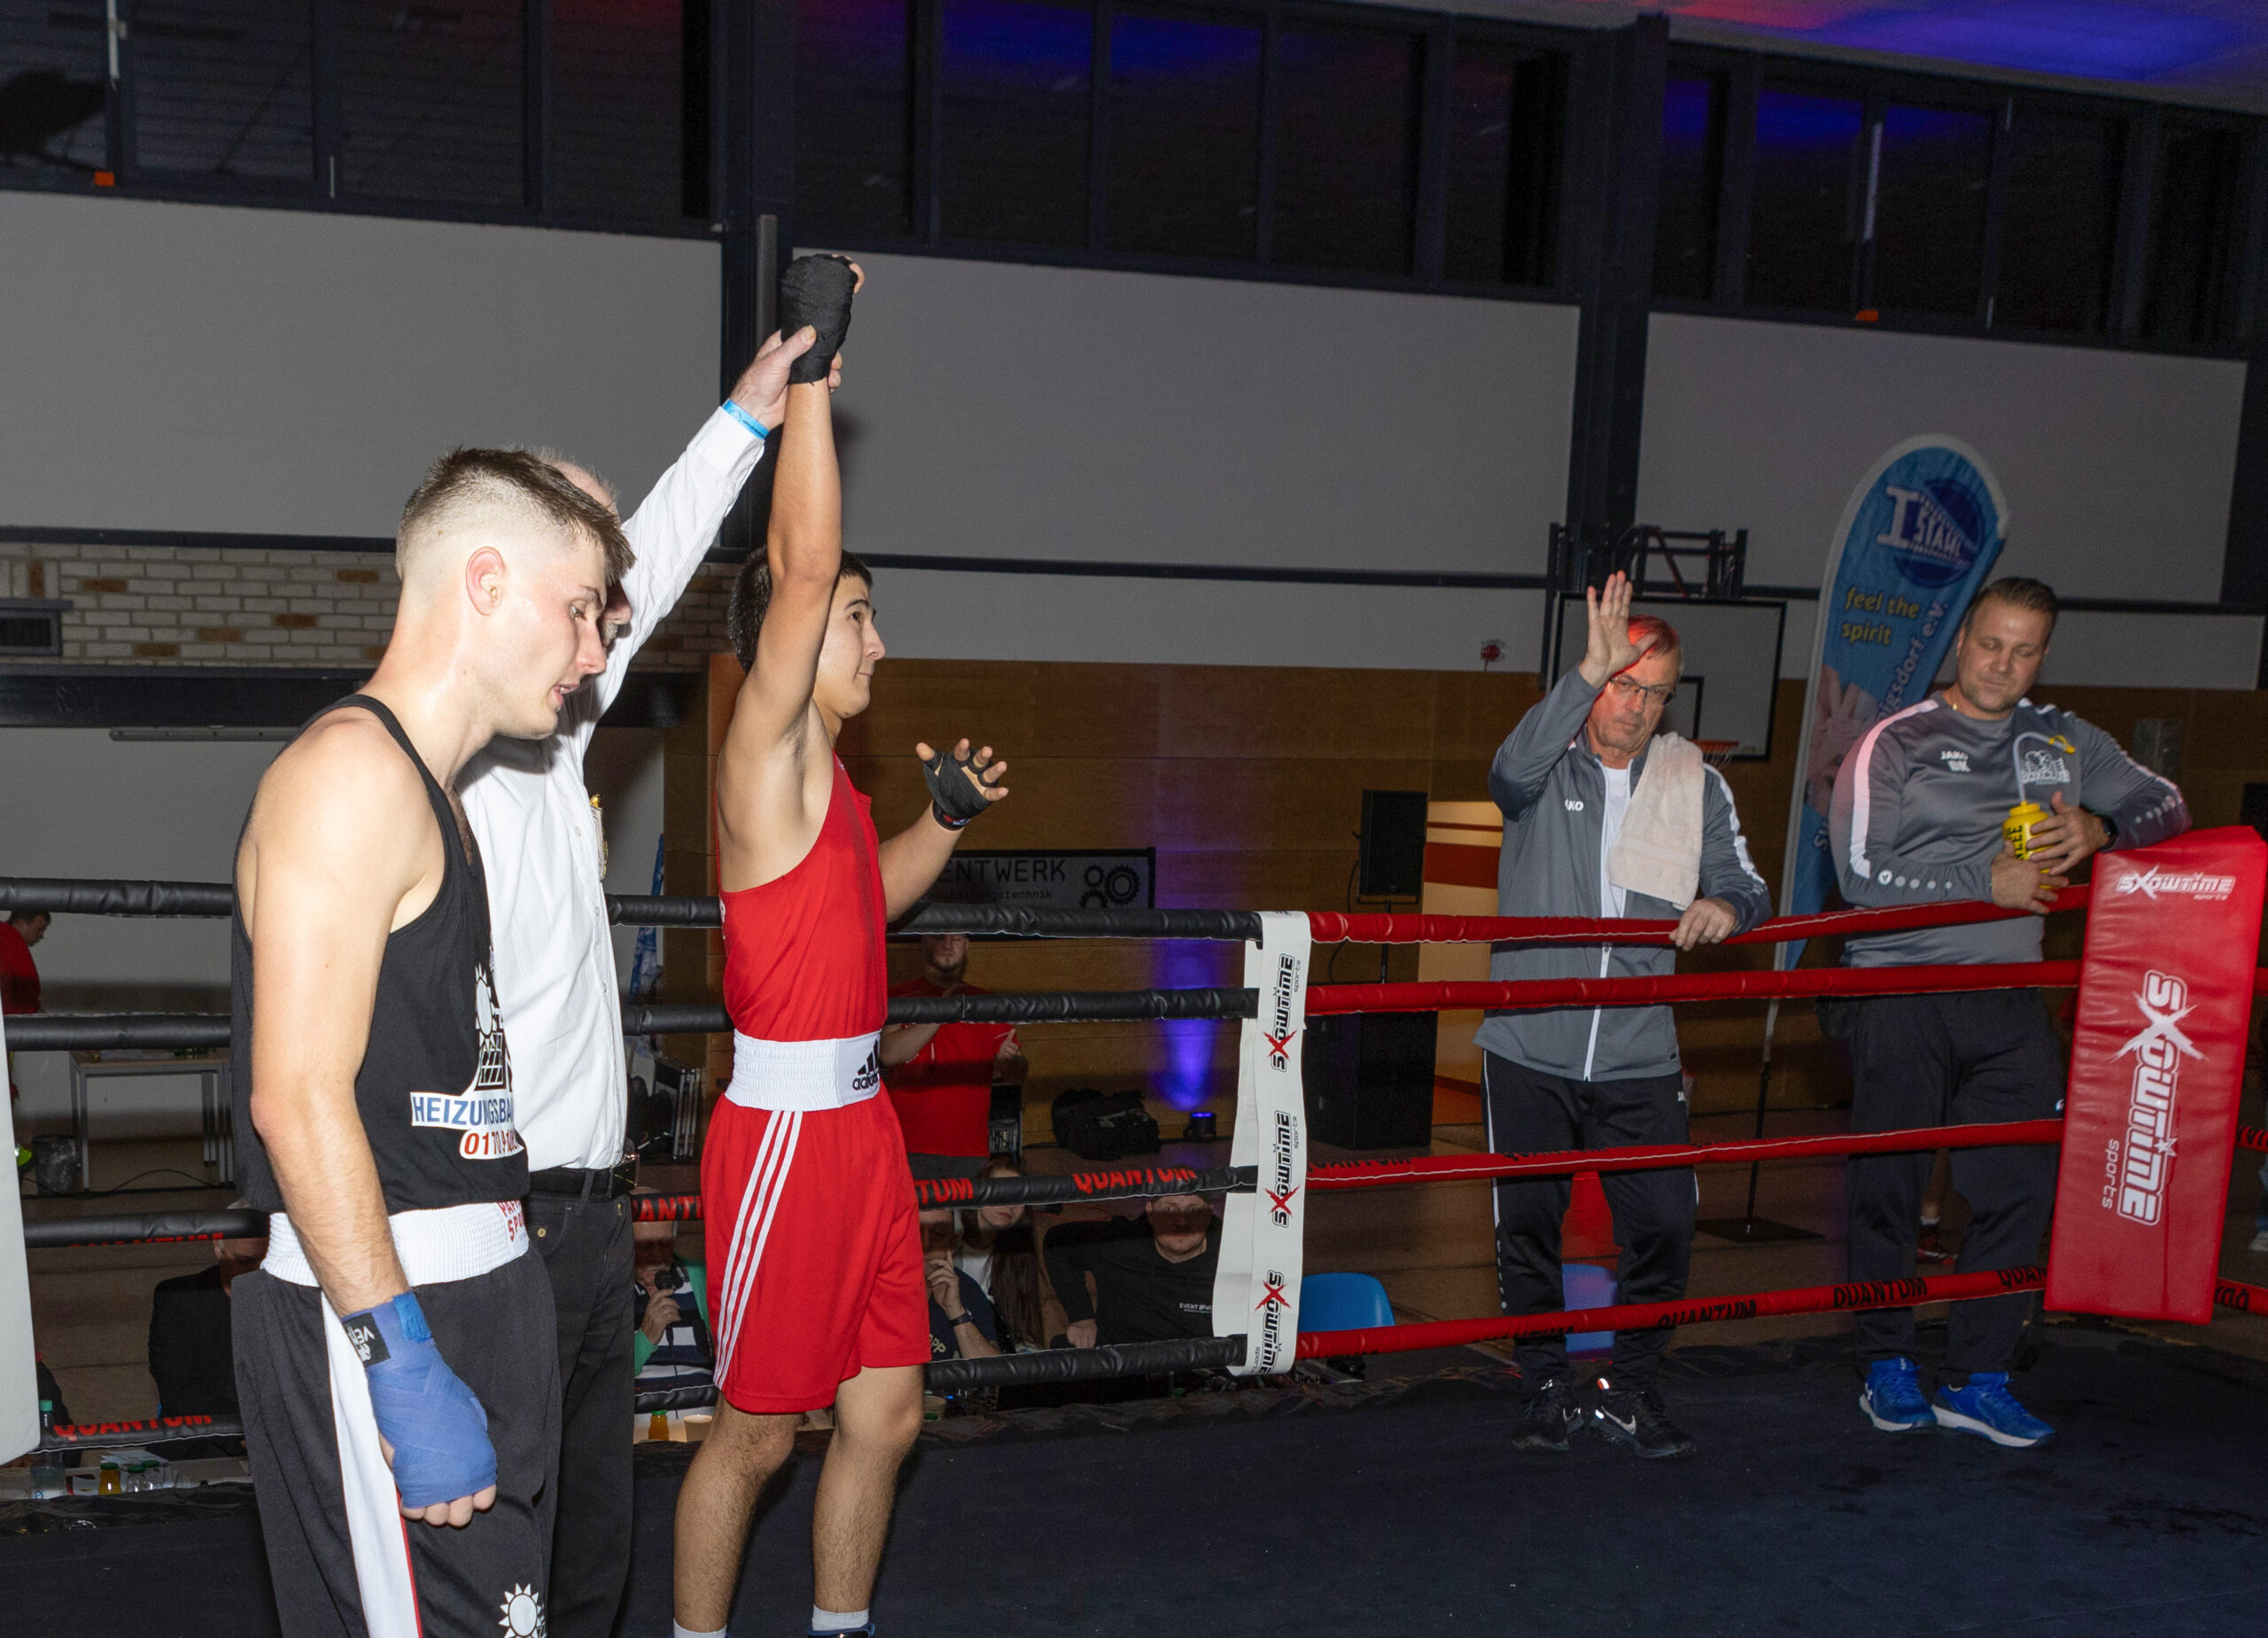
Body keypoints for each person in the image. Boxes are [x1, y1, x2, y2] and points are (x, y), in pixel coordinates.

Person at [458, 327, 826, 1638]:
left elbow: (659, 555)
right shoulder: (438, 778)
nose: (607, 621)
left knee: (591, 1550)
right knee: (498, 1554)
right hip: (497, 1224)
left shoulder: (549, 740)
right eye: (583, 596)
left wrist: (748, 414)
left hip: (595, 1220)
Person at [229, 449, 625, 1638]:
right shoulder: (350, 776)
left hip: (481, 1282)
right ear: (487, 582)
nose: (593, 652)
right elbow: (297, 1096)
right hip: (390, 1303)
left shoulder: (435, 791)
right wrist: (397, 1356)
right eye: (578, 610)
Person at [672, 256, 1009, 1638]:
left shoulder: (841, 788)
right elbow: (803, 564)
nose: (877, 638)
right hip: (784, 1140)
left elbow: (872, 912)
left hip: (865, 1130)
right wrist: (811, 366)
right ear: (791, 639)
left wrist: (944, 820)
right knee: (757, 1434)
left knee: (888, 1413)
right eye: (858, 617)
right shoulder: (764, 753)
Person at [1830, 575, 2189, 1449]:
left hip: (2008, 999)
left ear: (2042, 656)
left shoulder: (2063, 738)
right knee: (1889, 1191)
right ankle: (1886, 1363)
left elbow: (2168, 806)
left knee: (2021, 1188)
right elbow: (1858, 876)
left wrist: (2102, 833)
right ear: (1962, 641)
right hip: (1899, 995)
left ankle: (1978, 1376)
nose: (2002, 663)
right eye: (1990, 644)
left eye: (2023, 650)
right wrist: (1977, 882)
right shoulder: (1894, 739)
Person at [1475, 571, 1769, 1461]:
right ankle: (1543, 1385)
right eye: (1622, 684)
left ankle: (1631, 1386)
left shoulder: (1692, 780)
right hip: (1530, 1043)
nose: (1636, 706)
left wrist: (1726, 904)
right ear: (1597, 681)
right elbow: (1504, 771)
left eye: (1655, 692)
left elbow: (1747, 882)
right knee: (1528, 1227)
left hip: (1641, 1050)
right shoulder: (1544, 765)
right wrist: (1582, 672)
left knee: (1665, 1225)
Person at [880, 932, 1027, 1178]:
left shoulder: (986, 1002)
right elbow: (889, 1054)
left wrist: (1009, 1060)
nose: (948, 944)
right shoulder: (899, 996)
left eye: (956, 938)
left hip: (969, 1149)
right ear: (924, 941)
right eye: (939, 937)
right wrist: (943, 1011)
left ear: (967, 945)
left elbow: (1018, 1075)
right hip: (908, 1146)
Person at [1043, 1193, 1221, 1347]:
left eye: (1193, 1211)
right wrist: (1081, 1316)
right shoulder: (1121, 1242)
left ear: (1208, 1214)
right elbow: (1056, 1241)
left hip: (1202, 1365)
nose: (1181, 1222)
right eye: (1169, 1210)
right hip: (1122, 1361)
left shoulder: (1231, 1252)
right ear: (1150, 1212)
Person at [149, 1205, 268, 1417]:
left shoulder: (295, 1297)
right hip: (208, 1432)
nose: (259, 1271)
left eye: (268, 1261)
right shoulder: (179, 1299)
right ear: (218, 1248)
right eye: (245, 1262)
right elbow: (178, 1394)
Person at [956, 1158, 1060, 1351]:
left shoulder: (1017, 1254)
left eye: (1018, 1197)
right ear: (979, 1192)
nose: (1010, 1204)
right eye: (1002, 1192)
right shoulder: (947, 1235)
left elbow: (1024, 1332)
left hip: (990, 1351)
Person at [633, 1207, 713, 1398]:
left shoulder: (703, 1278)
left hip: (702, 1411)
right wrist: (646, 1337)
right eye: (644, 1246)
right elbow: (599, 1380)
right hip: (640, 1415)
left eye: (664, 1244)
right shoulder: (608, 1291)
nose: (656, 1257)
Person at [920, 1207, 1000, 1362]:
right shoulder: (875, 1282)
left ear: (953, 1243)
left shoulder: (965, 1290)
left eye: (938, 1234)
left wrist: (955, 1311)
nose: (926, 1244)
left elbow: (994, 1372)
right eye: (915, 1232)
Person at [0, 907, 46, 1015]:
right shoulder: (12, 938)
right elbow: (28, 991)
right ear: (20, 922)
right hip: (11, 1017)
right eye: (39, 929)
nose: (41, 935)